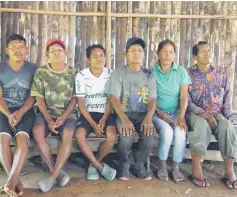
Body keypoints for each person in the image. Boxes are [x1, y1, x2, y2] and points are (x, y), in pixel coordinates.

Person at [187, 41, 237, 189]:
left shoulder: (221, 72)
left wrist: (229, 120)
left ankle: (229, 171)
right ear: (195, 56)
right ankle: (196, 169)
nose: (207, 54)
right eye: (203, 51)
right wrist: (203, 113)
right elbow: (187, 101)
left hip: (217, 113)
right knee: (200, 126)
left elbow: (227, 98)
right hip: (196, 113)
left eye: (209, 50)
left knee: (226, 127)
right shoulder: (188, 73)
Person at [0, 34, 37, 197]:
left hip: (26, 110)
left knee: (22, 139)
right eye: (13, 47)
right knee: (2, 140)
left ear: (26, 50)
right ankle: (14, 180)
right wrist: (9, 114)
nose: (17, 50)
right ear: (7, 50)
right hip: (5, 111)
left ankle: (10, 181)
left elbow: (33, 96)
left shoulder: (33, 69)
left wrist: (21, 112)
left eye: (21, 47)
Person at [105, 37, 157, 181]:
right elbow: (114, 98)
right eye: (133, 50)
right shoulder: (118, 73)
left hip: (143, 114)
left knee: (148, 136)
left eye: (140, 51)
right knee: (126, 138)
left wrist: (148, 118)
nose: (136, 53)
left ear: (144, 54)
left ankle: (138, 164)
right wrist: (124, 119)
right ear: (126, 54)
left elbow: (153, 99)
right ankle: (123, 164)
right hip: (124, 113)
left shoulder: (149, 74)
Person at [31, 38, 77, 192]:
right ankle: (57, 172)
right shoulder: (41, 72)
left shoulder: (73, 72)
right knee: (37, 133)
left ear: (65, 53)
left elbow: (74, 98)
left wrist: (63, 117)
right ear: (47, 54)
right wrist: (49, 119)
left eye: (60, 50)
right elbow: (39, 98)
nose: (57, 53)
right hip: (46, 113)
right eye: (53, 51)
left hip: (68, 113)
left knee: (68, 133)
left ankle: (51, 178)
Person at [149, 39, 191, 183]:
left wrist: (181, 116)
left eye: (171, 52)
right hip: (156, 114)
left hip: (176, 113)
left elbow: (184, 96)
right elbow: (147, 98)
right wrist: (159, 112)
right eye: (164, 52)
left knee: (180, 132)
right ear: (158, 54)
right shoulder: (151, 72)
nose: (167, 55)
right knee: (167, 131)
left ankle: (175, 167)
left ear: (175, 55)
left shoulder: (181, 72)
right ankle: (162, 166)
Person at [75, 44, 117, 181]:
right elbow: (80, 102)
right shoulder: (81, 75)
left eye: (102, 56)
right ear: (88, 59)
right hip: (88, 114)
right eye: (95, 56)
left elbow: (112, 99)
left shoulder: (111, 74)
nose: (99, 59)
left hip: (106, 113)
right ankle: (100, 167)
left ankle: (94, 164)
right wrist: (93, 124)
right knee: (79, 136)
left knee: (111, 136)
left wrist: (104, 118)